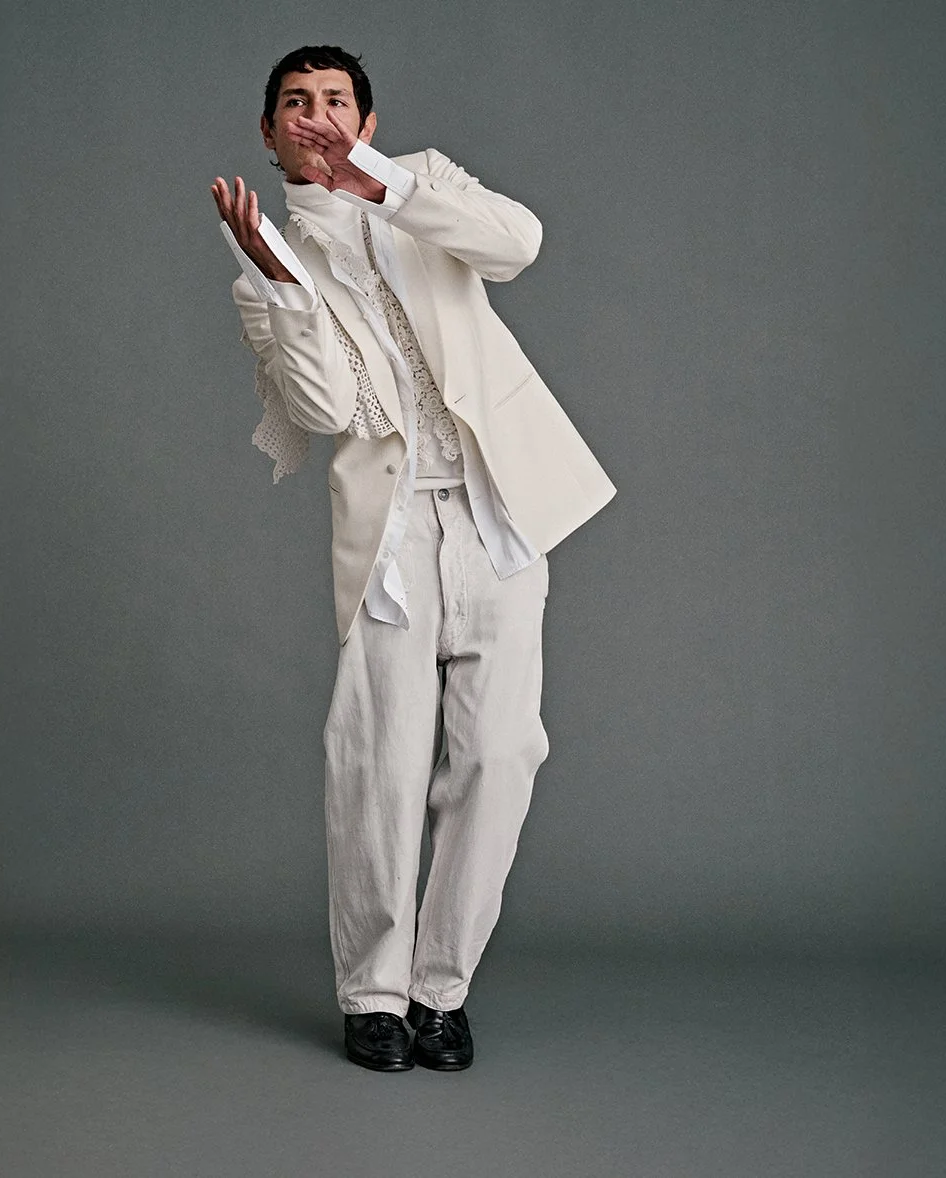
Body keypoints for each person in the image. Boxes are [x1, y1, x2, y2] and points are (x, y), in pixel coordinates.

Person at [210, 45, 615, 1072]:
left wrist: (383, 187)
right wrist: (282, 283)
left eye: (335, 100)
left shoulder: (422, 181)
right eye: (295, 103)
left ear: (368, 120)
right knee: (379, 761)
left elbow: (518, 244)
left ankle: (442, 988)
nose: (317, 116)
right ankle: (374, 995)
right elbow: (325, 410)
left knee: (502, 752)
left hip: (497, 510)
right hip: (391, 537)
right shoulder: (268, 263)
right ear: (268, 134)